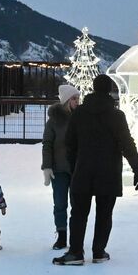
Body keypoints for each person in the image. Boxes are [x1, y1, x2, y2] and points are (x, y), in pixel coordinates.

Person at [53, 74, 138, 266]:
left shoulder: (79, 113)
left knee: (78, 213)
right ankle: (99, 251)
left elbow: (70, 143)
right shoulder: (117, 116)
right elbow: (127, 144)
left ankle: (75, 252)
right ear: (110, 89)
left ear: (93, 88)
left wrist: (75, 163)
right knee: (104, 214)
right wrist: (137, 167)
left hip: (83, 170)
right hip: (108, 172)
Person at [41, 85, 80, 250]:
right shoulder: (54, 121)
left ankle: (76, 237)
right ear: (66, 100)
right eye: (74, 99)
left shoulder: (81, 118)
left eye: (78, 98)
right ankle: (62, 235)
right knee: (60, 204)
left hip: (78, 169)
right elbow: (47, 144)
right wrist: (47, 167)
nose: (77, 102)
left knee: (77, 205)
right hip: (59, 169)